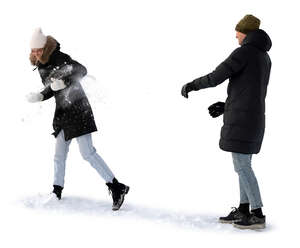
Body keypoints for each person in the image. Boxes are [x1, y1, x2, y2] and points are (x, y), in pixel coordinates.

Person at [181, 15, 272, 229]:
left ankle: (257, 213)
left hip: (243, 118)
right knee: (243, 164)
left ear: (246, 33)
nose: (236, 35)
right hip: (253, 116)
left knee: (242, 166)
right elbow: (249, 89)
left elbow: (216, 77)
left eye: (238, 32)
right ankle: (243, 209)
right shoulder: (263, 56)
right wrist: (227, 104)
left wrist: (192, 85)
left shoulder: (244, 52)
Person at [27, 28, 129, 211]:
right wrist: (41, 96)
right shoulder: (41, 65)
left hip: (78, 109)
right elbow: (52, 87)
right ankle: (56, 191)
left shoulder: (60, 57)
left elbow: (81, 70)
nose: (36, 52)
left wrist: (65, 82)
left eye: (39, 49)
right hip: (62, 112)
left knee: (87, 153)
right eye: (33, 50)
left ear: (45, 47)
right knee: (59, 155)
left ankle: (116, 187)